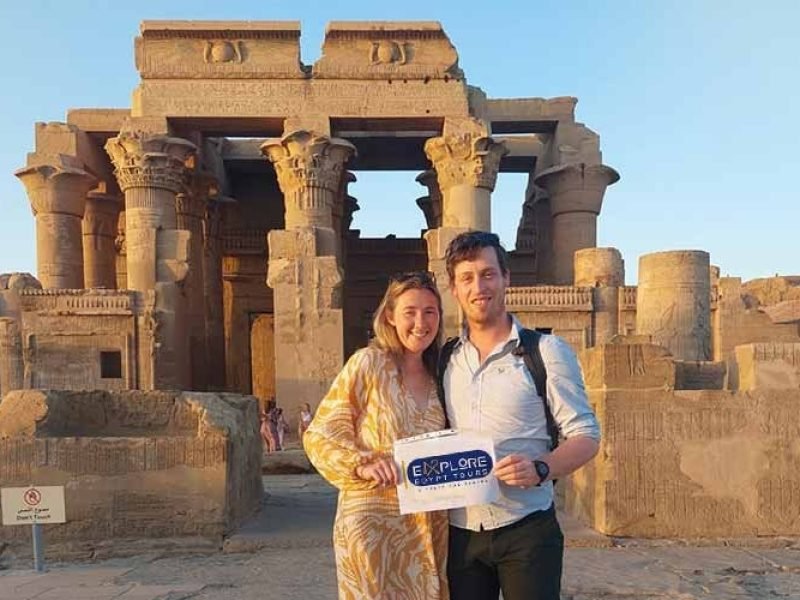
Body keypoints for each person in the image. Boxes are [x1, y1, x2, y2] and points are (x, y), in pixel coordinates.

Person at [441, 231, 600, 600]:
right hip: (461, 531)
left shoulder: (545, 352)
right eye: (466, 278)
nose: (478, 287)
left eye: (487, 274)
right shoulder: (446, 359)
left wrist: (541, 468)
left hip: (526, 529)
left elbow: (586, 436)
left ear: (506, 278)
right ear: (454, 288)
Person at [303, 272, 449, 599]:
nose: (420, 322)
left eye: (430, 312)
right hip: (371, 520)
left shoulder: (443, 375)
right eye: (410, 311)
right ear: (390, 317)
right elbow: (322, 431)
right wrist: (360, 463)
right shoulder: (368, 363)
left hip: (427, 524)